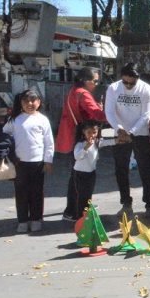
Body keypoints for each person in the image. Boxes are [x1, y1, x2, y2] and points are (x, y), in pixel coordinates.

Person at [104, 63, 150, 218]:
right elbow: (109, 111)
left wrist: (131, 132)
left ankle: (149, 203)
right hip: (119, 132)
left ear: (137, 79)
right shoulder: (113, 88)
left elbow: (146, 115)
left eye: (131, 83)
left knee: (144, 168)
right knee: (120, 169)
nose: (127, 85)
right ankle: (126, 203)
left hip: (140, 133)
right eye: (125, 82)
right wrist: (119, 129)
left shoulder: (146, 89)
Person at [56, 66, 106, 221]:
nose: (97, 84)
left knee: (75, 175)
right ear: (85, 81)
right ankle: (74, 211)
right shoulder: (83, 94)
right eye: (95, 81)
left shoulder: (73, 91)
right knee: (80, 178)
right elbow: (97, 113)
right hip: (79, 136)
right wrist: (109, 114)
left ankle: (74, 208)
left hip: (71, 134)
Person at [3, 90, 54, 233]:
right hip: (19, 163)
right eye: (26, 101)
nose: (30, 104)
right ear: (20, 103)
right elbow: (4, 135)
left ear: (39, 102)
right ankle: (23, 221)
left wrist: (48, 160)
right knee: (21, 192)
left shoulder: (43, 120)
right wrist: (8, 155)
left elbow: (49, 142)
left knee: (36, 192)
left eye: (33, 100)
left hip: (37, 163)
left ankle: (36, 219)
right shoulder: (15, 120)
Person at [71, 120, 101, 220]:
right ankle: (80, 217)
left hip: (91, 174)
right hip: (79, 174)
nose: (92, 135)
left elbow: (108, 142)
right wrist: (86, 147)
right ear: (84, 132)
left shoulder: (97, 142)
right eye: (89, 132)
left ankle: (86, 215)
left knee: (88, 195)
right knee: (82, 196)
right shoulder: (80, 144)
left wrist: (119, 140)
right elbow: (77, 156)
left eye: (94, 132)